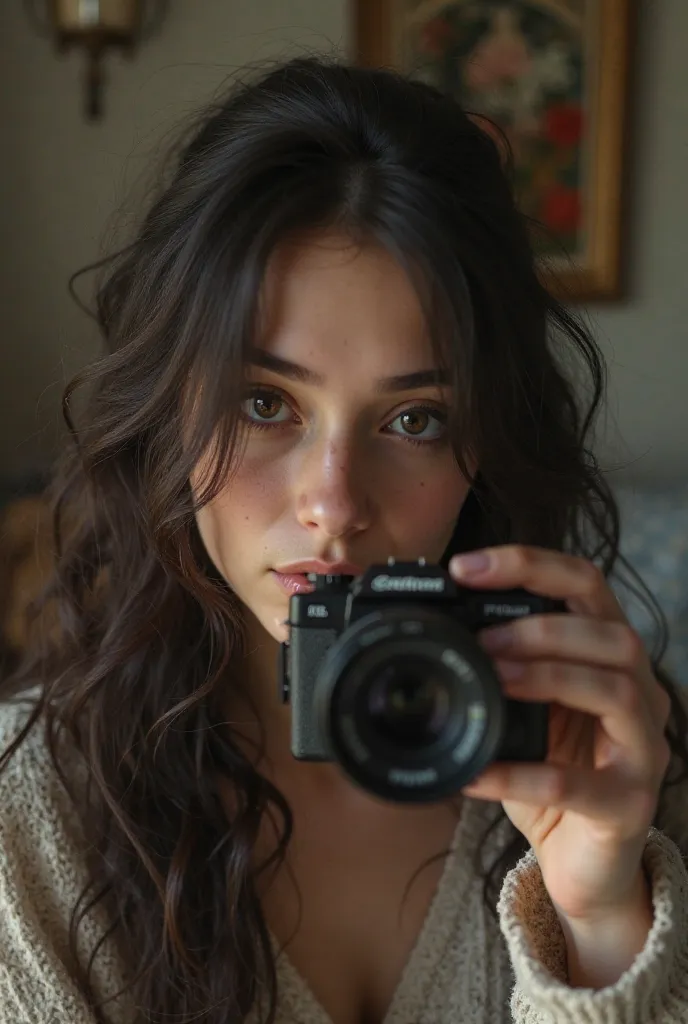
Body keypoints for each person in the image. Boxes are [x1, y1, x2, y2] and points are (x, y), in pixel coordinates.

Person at [1, 55, 687, 1024]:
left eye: (414, 419)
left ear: (484, 440)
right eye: (264, 402)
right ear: (168, 405)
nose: (333, 502)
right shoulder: (25, 827)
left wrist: (602, 920)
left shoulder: (627, 776)